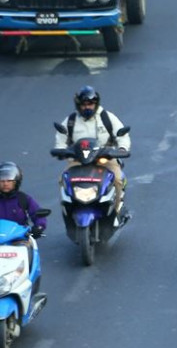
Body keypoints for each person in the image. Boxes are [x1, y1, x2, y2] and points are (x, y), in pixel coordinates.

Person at [55, 85, 131, 218]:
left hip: (105, 158)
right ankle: (68, 212)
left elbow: (122, 135)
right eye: (84, 104)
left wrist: (122, 148)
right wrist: (61, 150)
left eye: (90, 104)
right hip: (78, 160)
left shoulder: (107, 117)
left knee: (118, 179)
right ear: (78, 105)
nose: (87, 107)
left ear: (96, 104)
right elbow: (61, 137)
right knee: (62, 180)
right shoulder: (71, 120)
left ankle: (117, 209)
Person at [0, 162, 46, 237]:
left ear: (16, 182)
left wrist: (39, 227)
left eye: (9, 181)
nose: (5, 184)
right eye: (2, 181)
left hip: (20, 238)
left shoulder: (23, 199)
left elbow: (38, 214)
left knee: (33, 248)